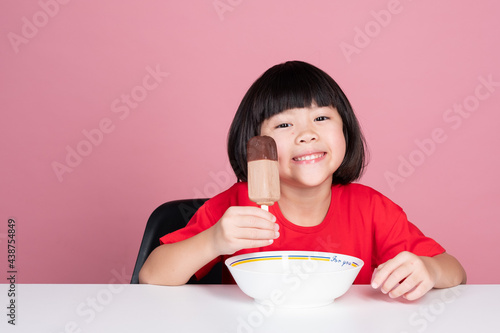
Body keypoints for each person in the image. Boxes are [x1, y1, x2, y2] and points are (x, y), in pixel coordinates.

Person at [139, 61, 466, 300]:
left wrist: (430, 271)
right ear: (257, 146)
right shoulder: (236, 204)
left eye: (321, 118)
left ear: (345, 131)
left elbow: (454, 271)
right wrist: (212, 241)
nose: (307, 135)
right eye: (283, 126)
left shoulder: (372, 209)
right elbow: (152, 275)